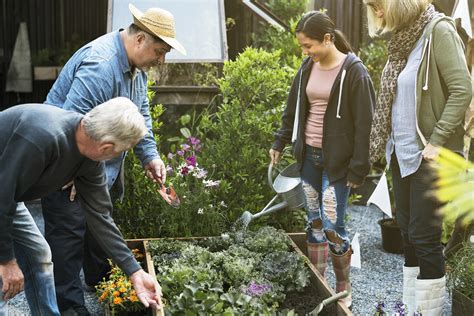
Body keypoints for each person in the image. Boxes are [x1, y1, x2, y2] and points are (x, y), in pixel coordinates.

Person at [41, 4, 186, 314]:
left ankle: (99, 281)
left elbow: (140, 114)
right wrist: (75, 173)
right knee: (67, 235)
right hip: (64, 167)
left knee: (97, 226)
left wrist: (150, 156)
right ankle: (70, 307)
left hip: (94, 168)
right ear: (140, 40)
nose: (161, 59)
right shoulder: (101, 66)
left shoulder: (137, 69)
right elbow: (70, 124)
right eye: (160, 51)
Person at [0, 98, 163, 315]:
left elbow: (100, 216)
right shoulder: (43, 138)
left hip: (6, 194)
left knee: (37, 255)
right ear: (107, 147)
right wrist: (6, 260)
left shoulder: (89, 160)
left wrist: (134, 272)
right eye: (119, 152)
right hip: (2, 195)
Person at [364, 0, 472, 314]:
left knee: (425, 237)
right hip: (402, 152)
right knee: (409, 235)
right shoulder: (402, 41)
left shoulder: (438, 30)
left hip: (431, 154)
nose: (377, 12)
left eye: (379, 5)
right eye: (372, 7)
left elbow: (462, 88)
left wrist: (437, 141)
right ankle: (411, 309)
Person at [269, 11, 375, 308]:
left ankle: (342, 286)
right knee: (314, 223)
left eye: (308, 46)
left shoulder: (355, 72)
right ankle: (320, 282)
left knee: (332, 226)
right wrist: (280, 141)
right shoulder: (306, 67)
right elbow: (292, 109)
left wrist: (359, 168)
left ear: (327, 39)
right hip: (309, 160)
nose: (305, 52)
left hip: (337, 165)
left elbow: (366, 125)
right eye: (303, 47)